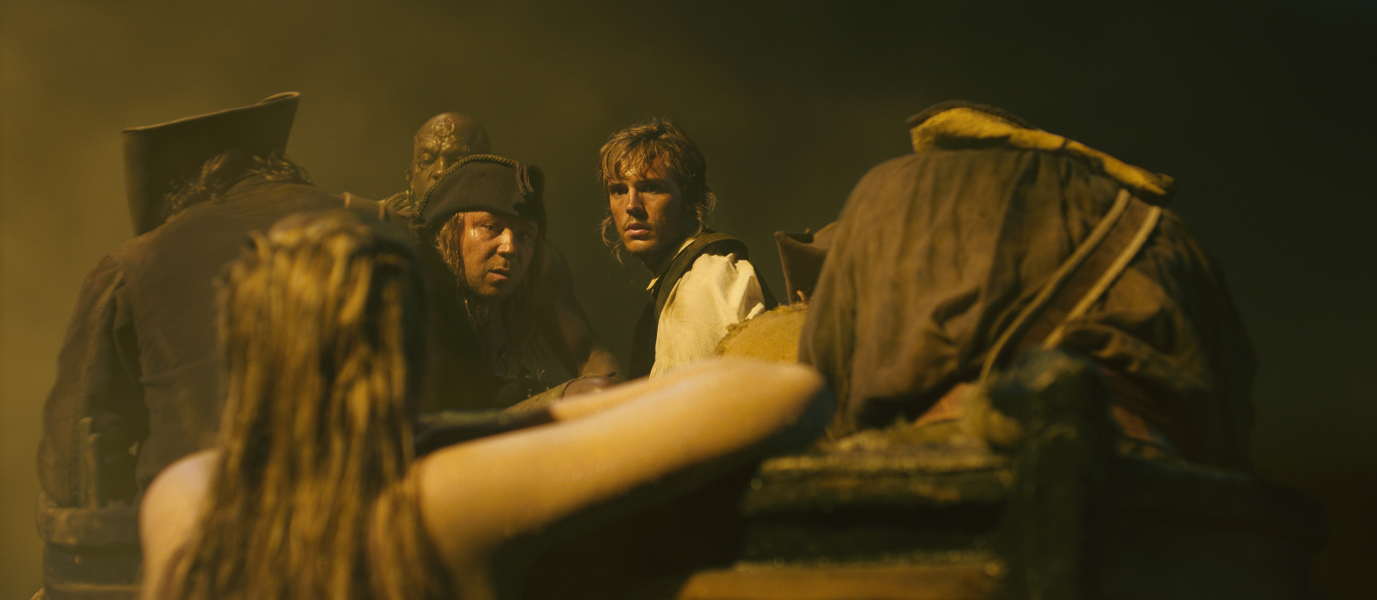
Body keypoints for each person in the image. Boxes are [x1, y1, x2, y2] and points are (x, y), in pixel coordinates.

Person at [136, 211, 831, 600]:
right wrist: (490, 427)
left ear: (243, 350)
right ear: (409, 351)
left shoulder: (186, 498)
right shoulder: (440, 498)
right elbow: (782, 393)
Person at [799, 101, 1257, 469]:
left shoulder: (888, 191)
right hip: (1143, 469)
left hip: (943, 455)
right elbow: (1230, 410)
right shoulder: (1167, 230)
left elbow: (825, 378)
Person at [37, 92, 367, 514]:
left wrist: (137, 530)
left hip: (206, 529)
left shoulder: (132, 267)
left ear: (174, 187)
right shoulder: (372, 224)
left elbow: (74, 464)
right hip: (370, 518)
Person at [385, 113, 620, 391]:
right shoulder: (385, 243)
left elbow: (585, 354)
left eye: (458, 162)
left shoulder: (535, 259)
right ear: (410, 173)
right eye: (427, 160)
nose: (440, 171)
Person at [599, 118, 776, 380]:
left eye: (651, 188)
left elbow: (701, 396)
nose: (631, 205)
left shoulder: (705, 278)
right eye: (619, 190)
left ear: (690, 197)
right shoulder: (679, 275)